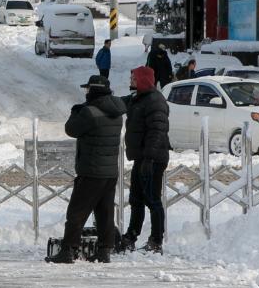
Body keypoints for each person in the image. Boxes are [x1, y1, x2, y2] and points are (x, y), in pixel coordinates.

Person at [48, 74, 126, 264]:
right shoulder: (117, 113)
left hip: (91, 171)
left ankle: (68, 250)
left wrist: (76, 112)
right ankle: (104, 250)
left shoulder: (89, 113)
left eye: (88, 90)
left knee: (77, 212)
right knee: (105, 212)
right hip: (110, 172)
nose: (86, 93)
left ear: (93, 90)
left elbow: (71, 129)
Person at [120, 66, 170, 254]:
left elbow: (157, 132)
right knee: (136, 199)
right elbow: (119, 103)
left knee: (152, 200)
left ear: (143, 80)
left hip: (153, 159)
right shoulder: (138, 98)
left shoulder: (155, 101)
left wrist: (149, 158)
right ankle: (131, 236)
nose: (131, 80)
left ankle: (156, 241)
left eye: (134, 77)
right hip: (141, 157)